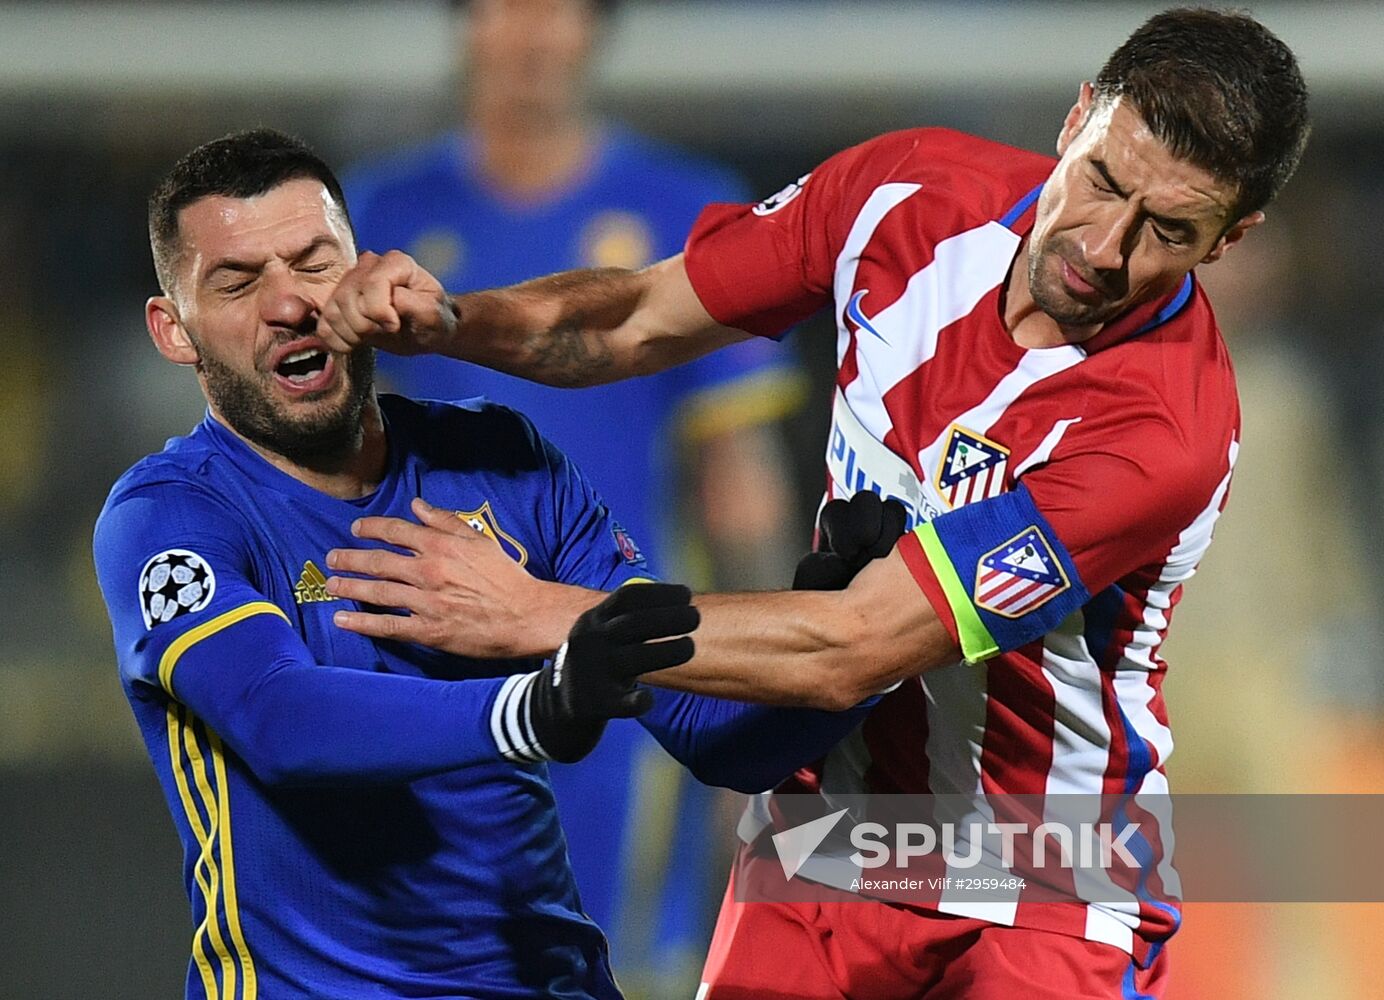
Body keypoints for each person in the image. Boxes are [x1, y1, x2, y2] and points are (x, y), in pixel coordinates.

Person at [317, 8, 1310, 997]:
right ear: (1077, 117)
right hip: (827, 836)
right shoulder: (907, 193)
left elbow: (856, 647)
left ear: (1231, 236)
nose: (1103, 246)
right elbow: (638, 317)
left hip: (1041, 872)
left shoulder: (1157, 432)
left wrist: (541, 612)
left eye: (1168, 230)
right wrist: (450, 320)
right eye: (1102, 182)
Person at [90, 128, 873, 1000]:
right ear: (175, 330)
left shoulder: (500, 457)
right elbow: (279, 719)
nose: (290, 304)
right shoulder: (170, 515)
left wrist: (848, 626)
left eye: (314, 264)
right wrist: (530, 709)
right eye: (237, 282)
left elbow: (715, 734)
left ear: (365, 273)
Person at [340, 1, 806, 978]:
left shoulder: (687, 210)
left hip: (614, 682)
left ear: (598, 26)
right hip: (406, 682)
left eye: (560, 7)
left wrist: (763, 708)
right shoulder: (373, 219)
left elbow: (739, 487)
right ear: (463, 21)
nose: (533, 32)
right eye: (508, 5)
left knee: (604, 960)